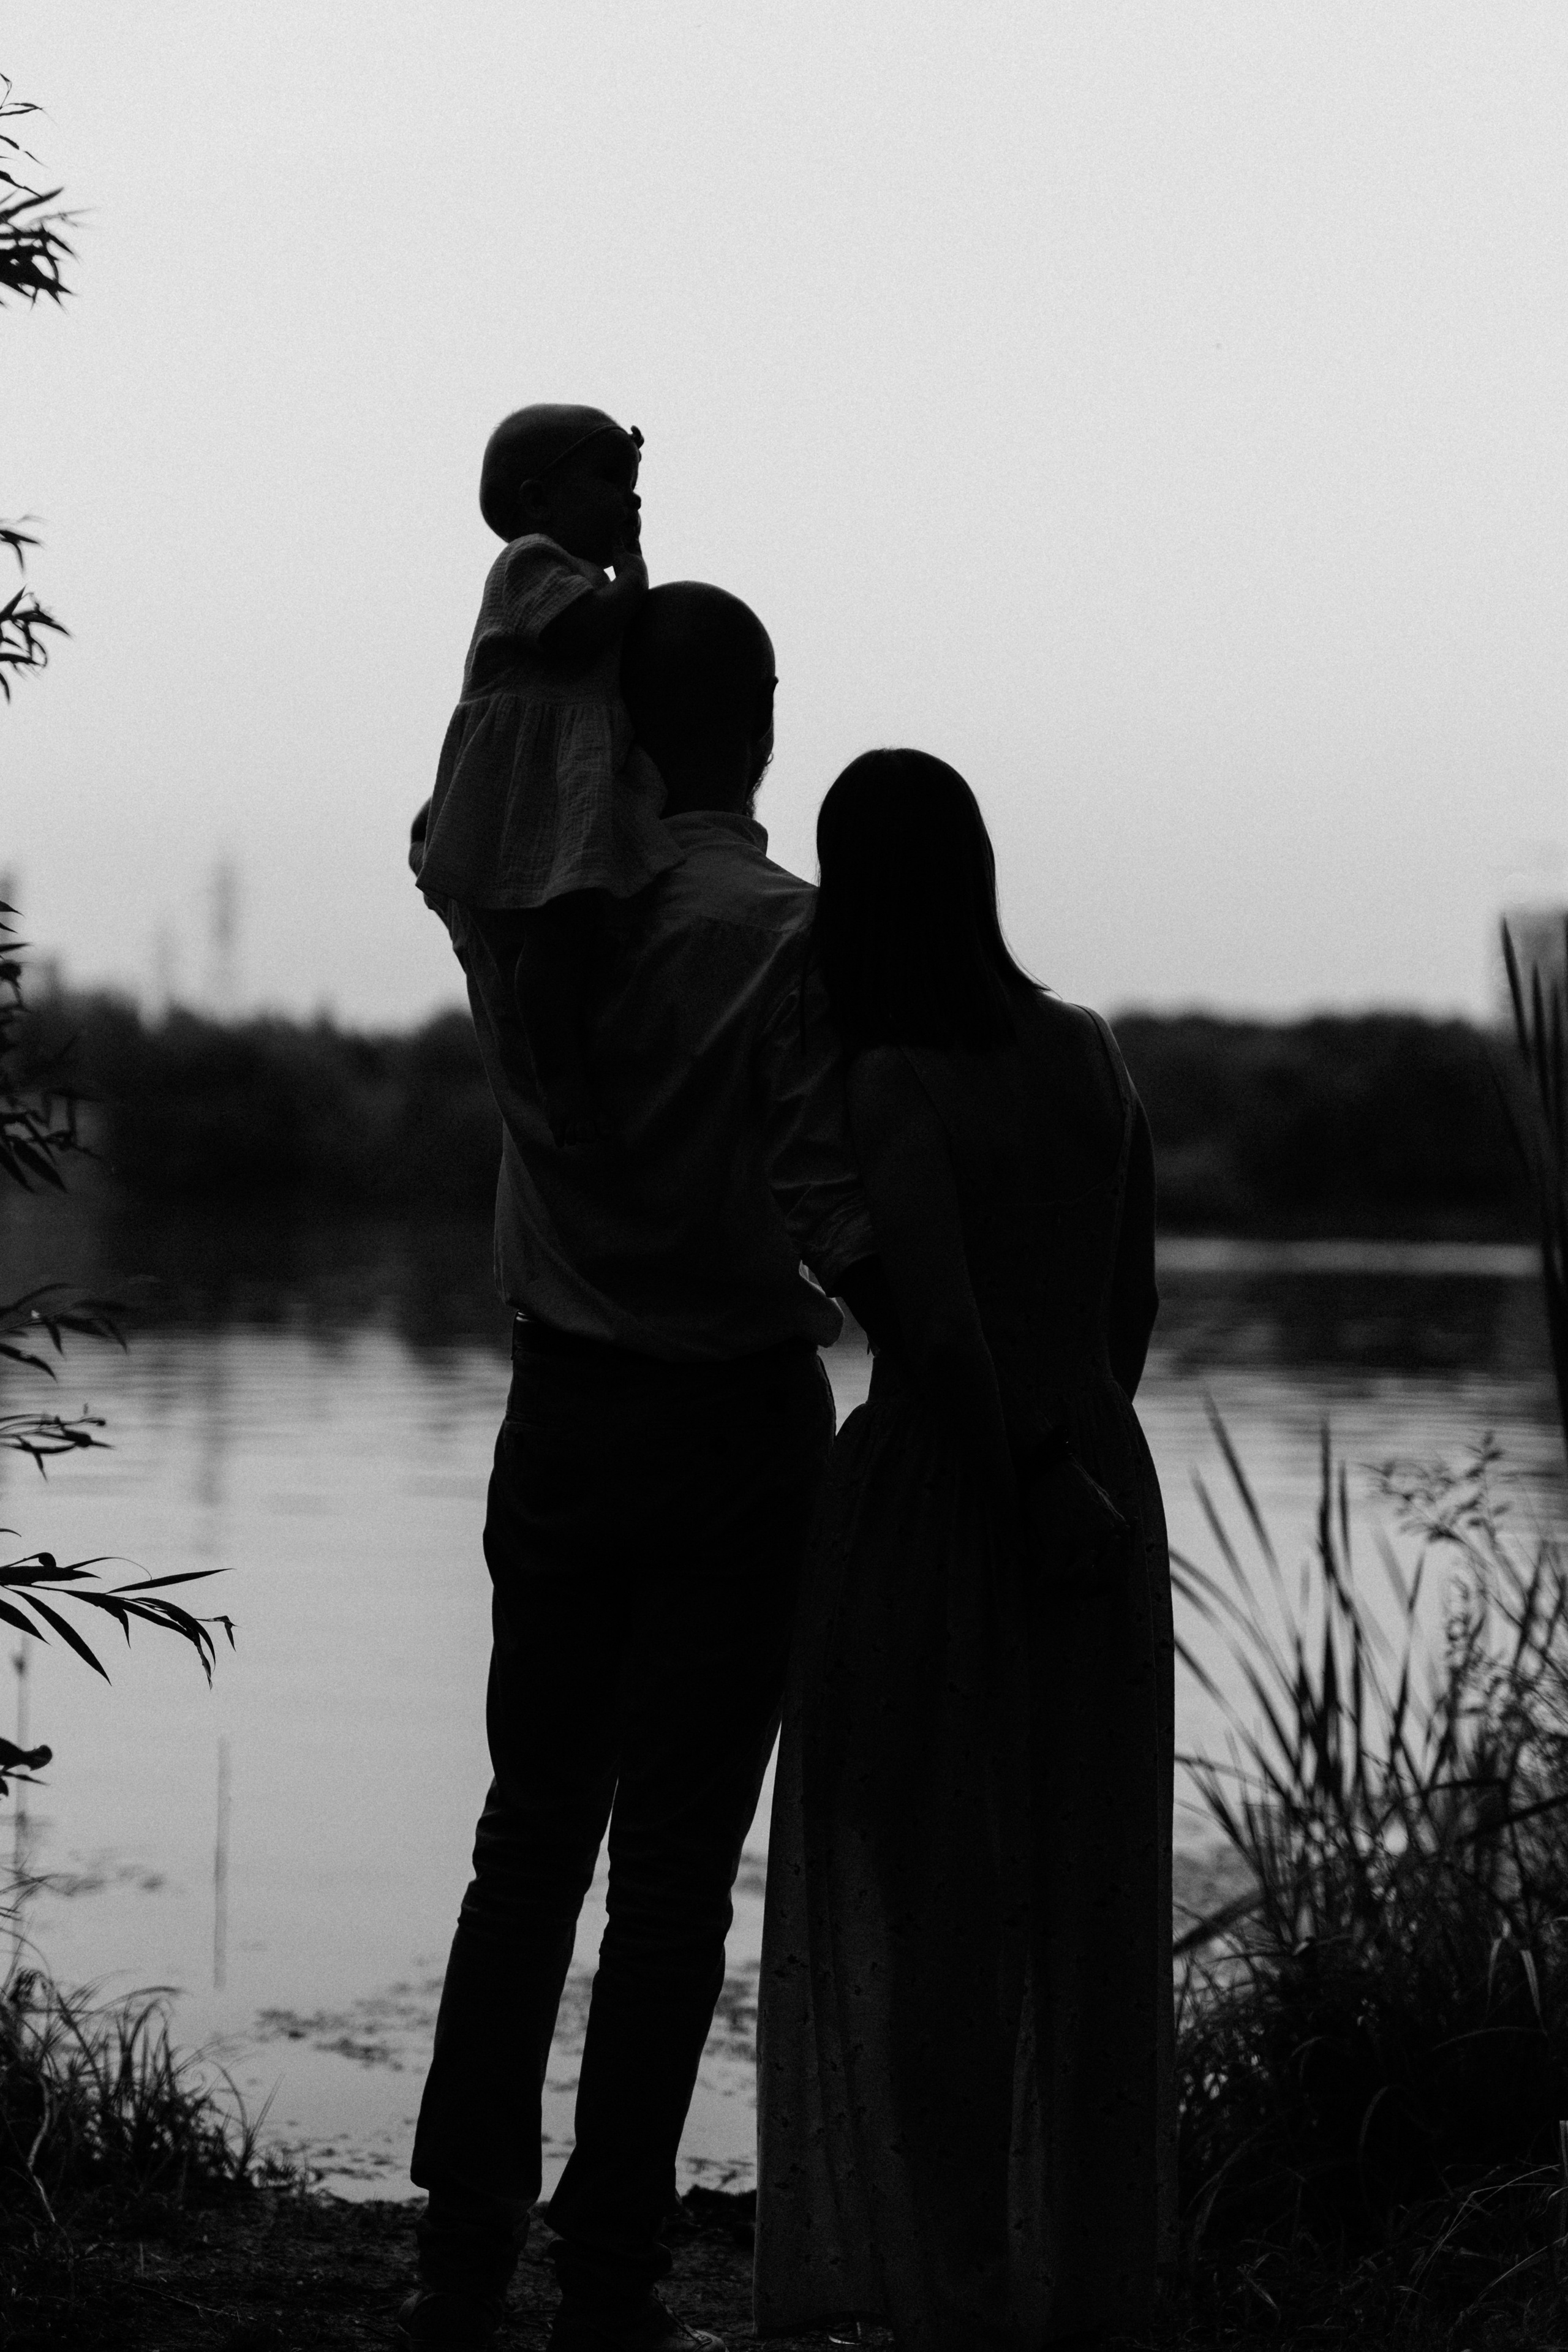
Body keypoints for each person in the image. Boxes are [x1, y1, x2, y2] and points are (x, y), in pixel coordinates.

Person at [401, 584, 875, 2352]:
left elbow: (458, 819)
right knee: (676, 1871)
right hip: (739, 1432)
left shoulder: (517, 917)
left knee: (529, 1842)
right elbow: (836, 1209)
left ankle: (458, 2255)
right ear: (756, 717)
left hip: (567, 1420)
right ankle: (610, 2279)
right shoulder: (791, 935)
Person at [754, 750, 1175, 2352]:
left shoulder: (891, 1084)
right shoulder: (1090, 1050)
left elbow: (930, 1322)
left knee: (932, 1895)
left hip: (951, 1499)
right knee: (1085, 1893)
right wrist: (1085, 1456)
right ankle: (1085, 2279)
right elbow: (1129, 1303)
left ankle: (954, 2286)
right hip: (1104, 1488)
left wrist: (1023, 1478)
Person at [417, 402, 680, 1148]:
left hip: (558, 777)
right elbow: (575, 637)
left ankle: (569, 1058)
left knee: (578, 923)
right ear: (536, 502)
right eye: (608, 479)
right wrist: (632, 581)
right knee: (557, 933)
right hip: (530, 779)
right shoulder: (531, 563)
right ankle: (563, 1084)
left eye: (635, 485)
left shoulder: (569, 574)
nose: (630, 500)